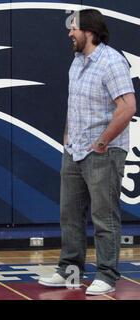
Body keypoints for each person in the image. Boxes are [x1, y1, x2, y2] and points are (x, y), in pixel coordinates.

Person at [38, 10, 137, 295]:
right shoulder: (76, 62)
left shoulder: (111, 62)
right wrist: (68, 135)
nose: (70, 33)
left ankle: (106, 274)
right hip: (74, 151)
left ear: (89, 32)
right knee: (69, 216)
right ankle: (70, 272)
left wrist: (103, 141)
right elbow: (74, 103)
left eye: (74, 28)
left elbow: (128, 107)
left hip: (103, 153)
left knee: (104, 217)